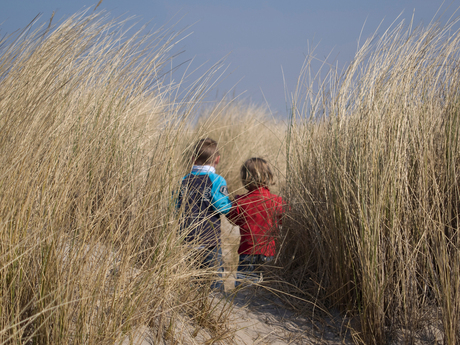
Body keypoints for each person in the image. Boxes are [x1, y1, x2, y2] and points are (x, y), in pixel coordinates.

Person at [176, 138, 231, 290]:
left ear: (193, 159)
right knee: (211, 278)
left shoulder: (184, 180)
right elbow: (223, 208)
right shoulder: (217, 180)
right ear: (217, 160)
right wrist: (228, 203)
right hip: (210, 239)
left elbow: (176, 207)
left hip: (186, 238)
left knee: (189, 276)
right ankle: (207, 303)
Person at [227, 157, 285, 287]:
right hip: (269, 252)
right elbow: (285, 220)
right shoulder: (277, 201)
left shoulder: (240, 201)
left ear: (245, 177)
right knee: (268, 289)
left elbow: (232, 220)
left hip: (247, 252)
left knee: (244, 290)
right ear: (268, 176)